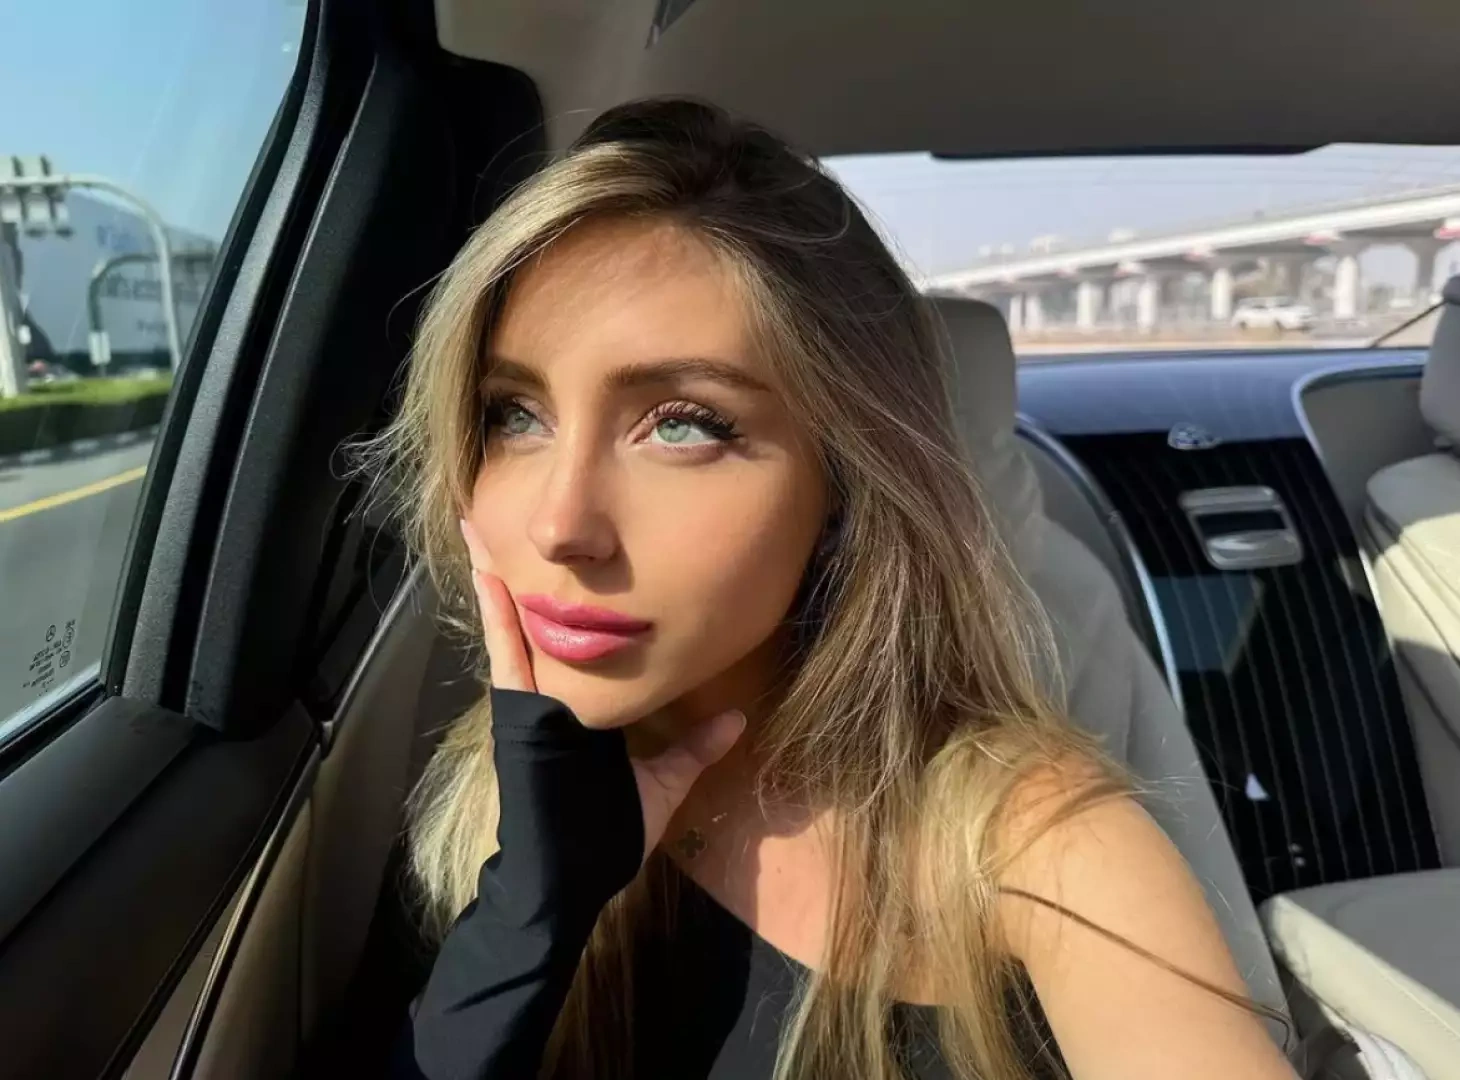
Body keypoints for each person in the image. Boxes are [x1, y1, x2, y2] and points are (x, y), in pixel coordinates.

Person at [364, 98, 1298, 1080]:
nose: (560, 525)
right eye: (514, 414)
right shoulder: (491, 788)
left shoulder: (1038, 844)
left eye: (682, 425)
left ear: (845, 483)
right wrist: (526, 914)